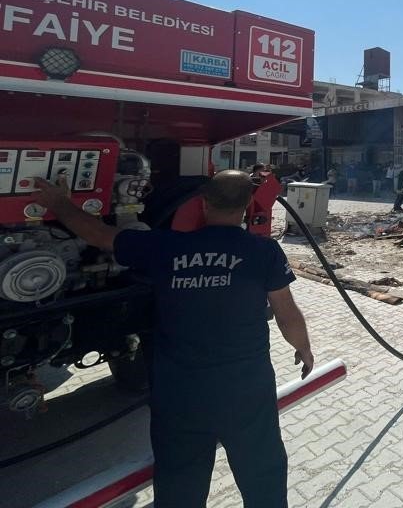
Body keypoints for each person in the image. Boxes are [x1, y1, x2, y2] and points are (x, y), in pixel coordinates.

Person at [33, 171, 314, 508]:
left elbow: (99, 235)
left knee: (180, 481)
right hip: (246, 390)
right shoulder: (264, 251)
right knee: (262, 474)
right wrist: (303, 348)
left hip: (180, 391)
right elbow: (286, 311)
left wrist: (59, 203)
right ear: (247, 206)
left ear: (204, 203)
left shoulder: (165, 247)